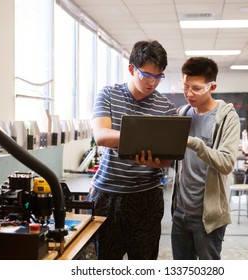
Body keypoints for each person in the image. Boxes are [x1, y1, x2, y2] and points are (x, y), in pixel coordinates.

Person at [89, 40, 176, 260]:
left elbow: (167, 159)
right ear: (131, 69)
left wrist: (152, 161)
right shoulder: (108, 94)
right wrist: (146, 140)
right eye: (146, 75)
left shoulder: (166, 108)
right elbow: (101, 136)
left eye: (158, 77)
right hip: (109, 195)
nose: (152, 83)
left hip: (146, 198)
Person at [171, 57, 240, 260]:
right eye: (185, 87)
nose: (189, 93)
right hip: (181, 212)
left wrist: (196, 144)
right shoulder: (182, 113)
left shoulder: (227, 117)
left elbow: (227, 163)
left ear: (212, 86)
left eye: (196, 88)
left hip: (207, 217)